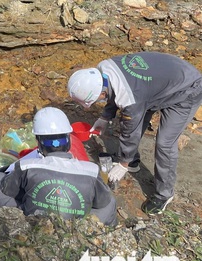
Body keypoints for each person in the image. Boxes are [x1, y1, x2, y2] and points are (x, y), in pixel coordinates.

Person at [68, 52, 202, 214]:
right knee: (136, 114)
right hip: (160, 82)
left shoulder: (129, 97)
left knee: (165, 143)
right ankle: (133, 161)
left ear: (101, 93)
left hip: (187, 88)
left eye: (97, 100)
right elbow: (113, 92)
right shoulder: (104, 69)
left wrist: (123, 163)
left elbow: (131, 128)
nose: (99, 101)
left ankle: (164, 194)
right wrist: (105, 116)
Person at [0, 107, 117, 226]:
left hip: (32, 223)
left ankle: (4, 224)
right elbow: (103, 201)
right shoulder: (91, 171)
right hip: (75, 227)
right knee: (110, 202)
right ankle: (105, 235)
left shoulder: (26, 166)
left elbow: (8, 189)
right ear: (69, 140)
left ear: (39, 143)